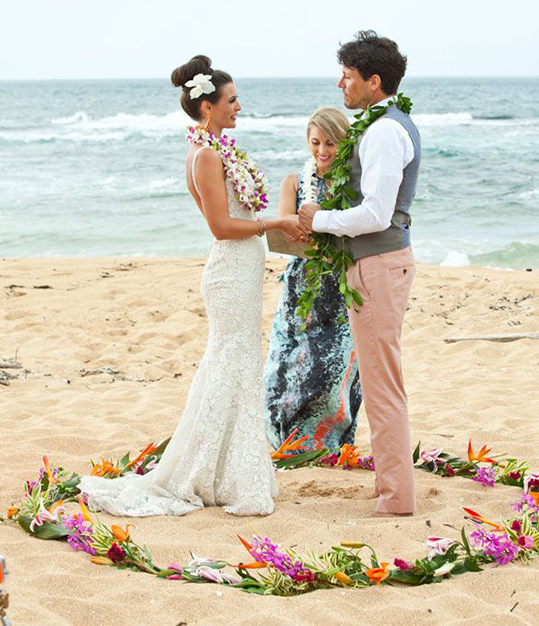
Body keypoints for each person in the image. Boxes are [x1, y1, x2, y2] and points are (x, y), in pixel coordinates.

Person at [78, 54, 304, 517]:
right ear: (208, 107)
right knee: (231, 364)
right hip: (229, 271)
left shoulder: (220, 151)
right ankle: (209, 473)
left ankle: (229, 469)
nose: (239, 106)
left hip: (243, 271)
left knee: (239, 364)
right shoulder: (204, 156)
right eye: (233, 100)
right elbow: (221, 226)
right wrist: (275, 221)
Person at [298, 31, 421, 517]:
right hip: (373, 264)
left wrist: (318, 219)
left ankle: (396, 499)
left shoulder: (386, 132)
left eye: (347, 77)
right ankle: (389, 487)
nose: (339, 85)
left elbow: (376, 214)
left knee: (382, 384)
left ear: (373, 82)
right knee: (379, 379)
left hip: (378, 265)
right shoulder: (380, 125)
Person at [264, 107, 362, 450]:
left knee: (331, 369)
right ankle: (286, 439)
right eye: (315, 142)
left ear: (344, 142)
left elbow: (358, 230)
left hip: (340, 284)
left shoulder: (354, 184)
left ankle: (327, 441)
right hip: (302, 284)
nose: (322, 151)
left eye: (330, 143)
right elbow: (284, 227)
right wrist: (297, 230)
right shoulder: (295, 181)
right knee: (287, 364)